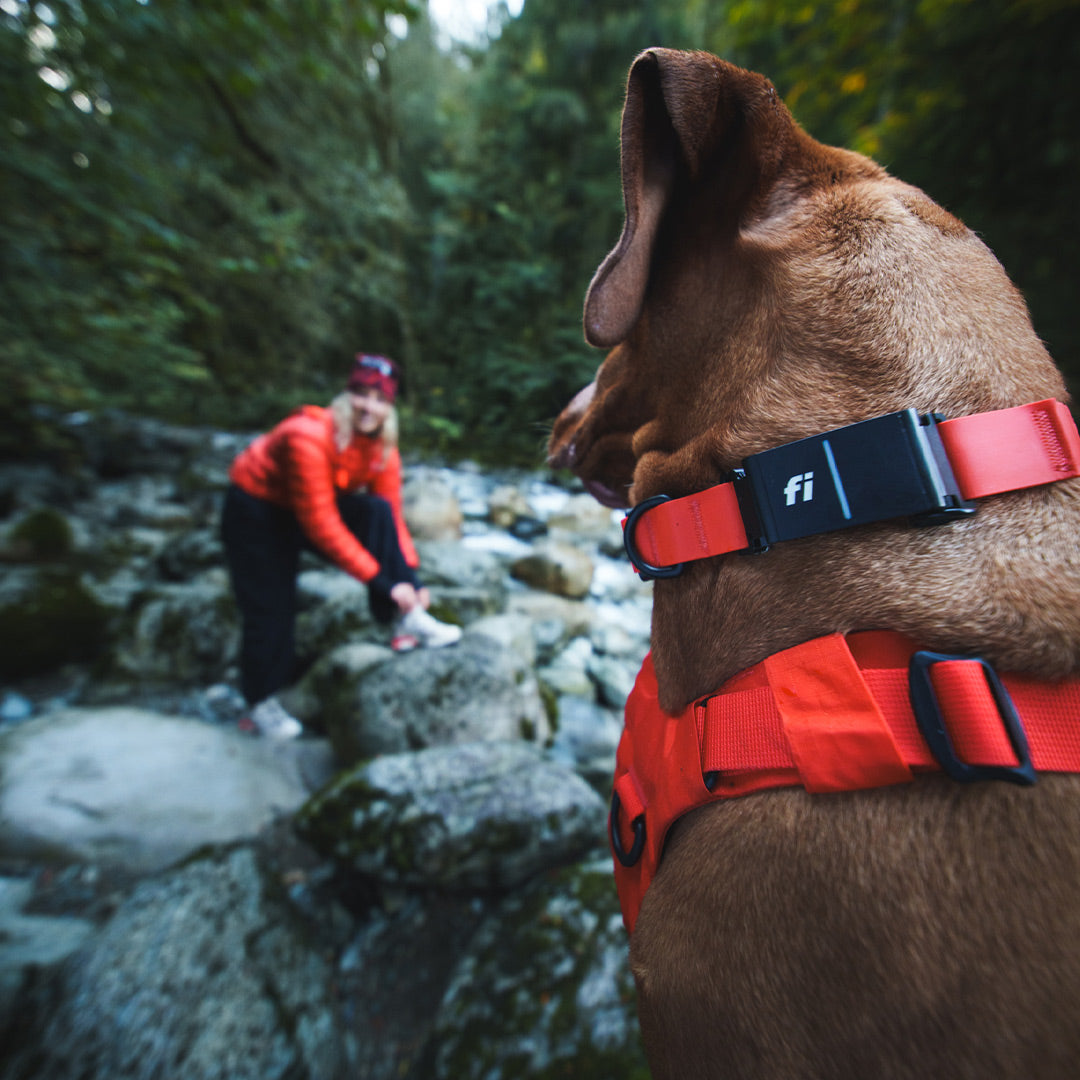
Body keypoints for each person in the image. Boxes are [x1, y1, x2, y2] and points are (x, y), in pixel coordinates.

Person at [221, 353, 461, 738]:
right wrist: (383, 583)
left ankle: (406, 619)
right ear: (346, 396)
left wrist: (411, 580)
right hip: (256, 513)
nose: (370, 407)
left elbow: (391, 517)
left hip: (303, 505)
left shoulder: (383, 447)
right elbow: (320, 525)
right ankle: (259, 704)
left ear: (390, 407)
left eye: (381, 399)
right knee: (272, 608)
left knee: (376, 511)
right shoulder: (308, 436)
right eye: (362, 395)